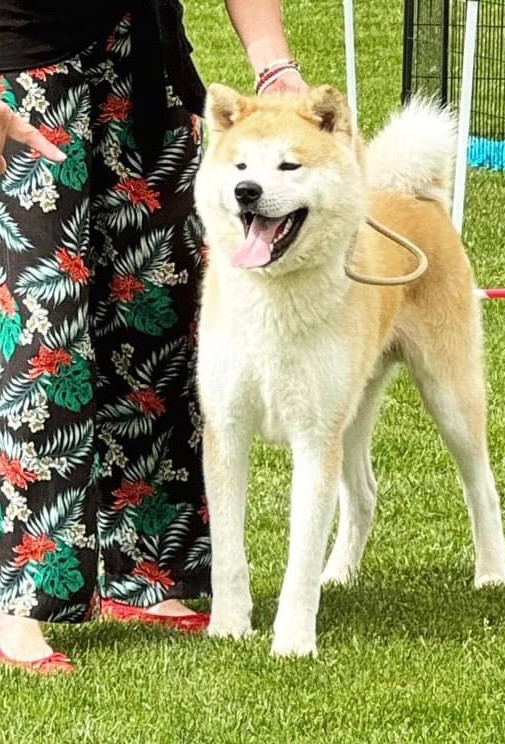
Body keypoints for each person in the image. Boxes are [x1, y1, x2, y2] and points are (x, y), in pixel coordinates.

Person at [0, 0, 307, 674]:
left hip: (140, 58)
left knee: (160, 310)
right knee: (45, 326)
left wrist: (271, 60)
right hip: (20, 67)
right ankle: (19, 599)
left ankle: (150, 570)